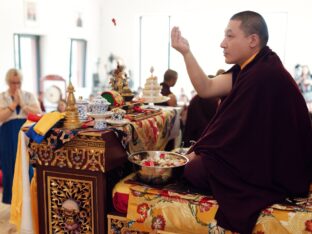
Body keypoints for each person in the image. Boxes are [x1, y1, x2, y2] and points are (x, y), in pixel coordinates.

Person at [171, 11, 312, 234]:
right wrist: (186, 53)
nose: (222, 43)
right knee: (192, 164)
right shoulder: (251, 68)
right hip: (257, 153)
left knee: (193, 170)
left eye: (230, 36)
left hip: (278, 165)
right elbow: (206, 88)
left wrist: (201, 153)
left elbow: (234, 132)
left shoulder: (265, 74)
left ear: (252, 40)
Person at [0, 68, 41, 204]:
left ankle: (29, 198)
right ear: (8, 82)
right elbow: (1, 117)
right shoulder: (2, 96)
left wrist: (23, 105)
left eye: (18, 83)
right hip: (7, 134)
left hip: (25, 132)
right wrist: (14, 105)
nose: (16, 86)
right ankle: (12, 201)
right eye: (13, 83)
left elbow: (38, 112)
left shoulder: (29, 95)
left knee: (26, 164)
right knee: (9, 165)